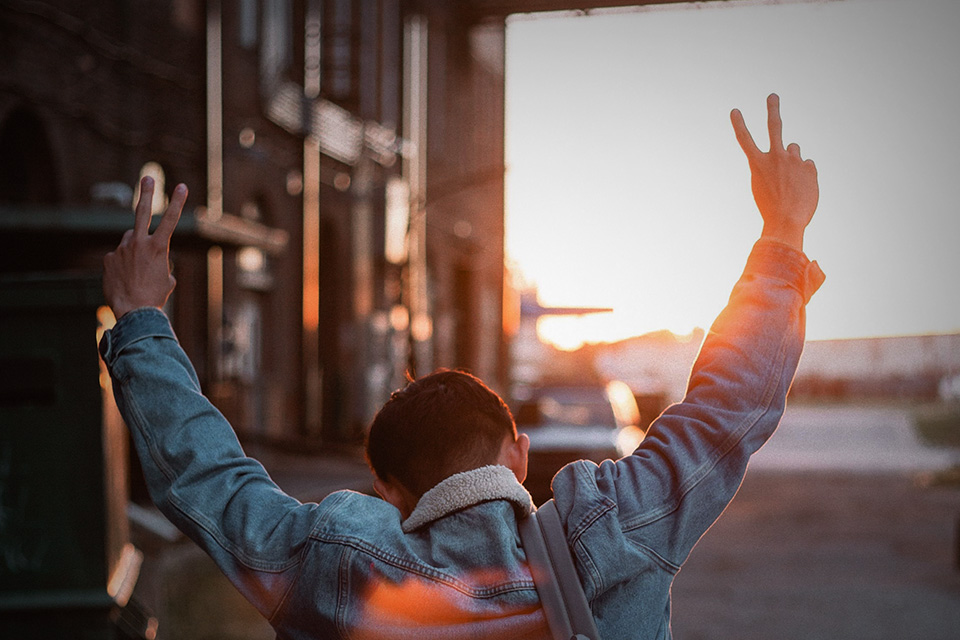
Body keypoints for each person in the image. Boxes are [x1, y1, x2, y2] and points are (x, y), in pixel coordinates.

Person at [100, 93, 824, 639]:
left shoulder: (336, 566)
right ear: (519, 455)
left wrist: (139, 318)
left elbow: (209, 478)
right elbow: (725, 410)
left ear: (389, 492)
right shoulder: (616, 531)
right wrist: (782, 236)